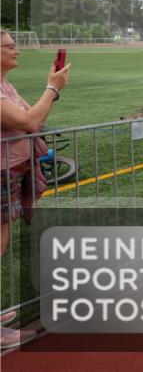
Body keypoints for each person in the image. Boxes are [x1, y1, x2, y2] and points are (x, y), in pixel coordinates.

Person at [0, 29, 70, 349]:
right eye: (10, 46)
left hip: (12, 171)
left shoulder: (6, 85)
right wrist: (51, 88)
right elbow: (28, 122)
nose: (17, 49)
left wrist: (52, 90)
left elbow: (36, 121)